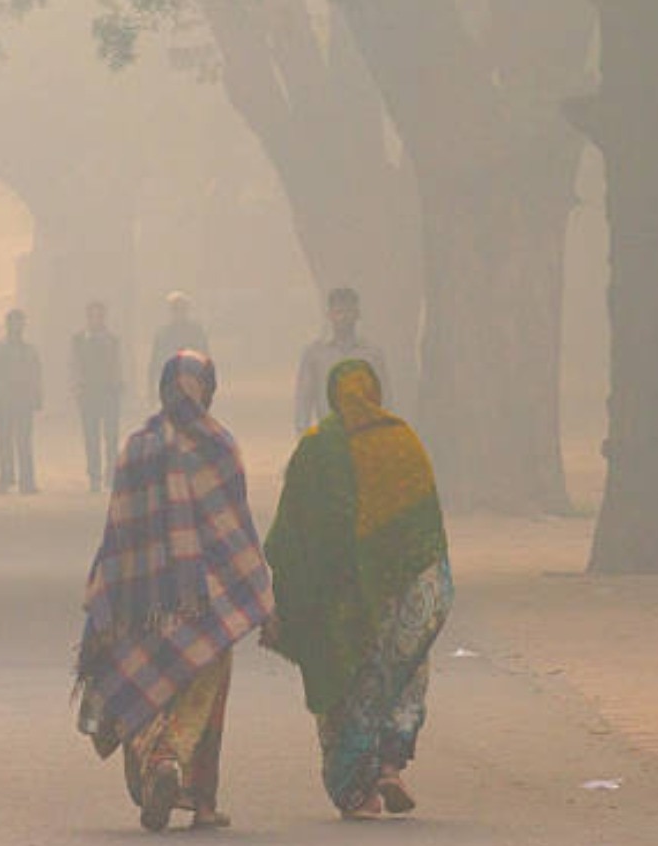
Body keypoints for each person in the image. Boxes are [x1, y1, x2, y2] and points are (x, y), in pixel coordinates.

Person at [76, 351, 274, 832]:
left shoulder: (137, 448)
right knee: (206, 700)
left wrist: (105, 596)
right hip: (210, 604)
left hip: (142, 604)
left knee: (148, 688)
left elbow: (118, 531)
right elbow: (238, 529)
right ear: (208, 389)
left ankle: (159, 764)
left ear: (163, 388)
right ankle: (200, 798)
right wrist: (260, 591)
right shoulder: (219, 446)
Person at [262, 359, 452, 820]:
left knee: (347, 686)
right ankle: (390, 766)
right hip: (401, 593)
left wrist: (284, 599)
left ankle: (356, 791)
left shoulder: (315, 448)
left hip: (339, 604)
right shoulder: (402, 441)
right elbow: (427, 528)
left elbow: (290, 535)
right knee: (401, 678)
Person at [295, 287, 391, 435]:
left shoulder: (372, 355)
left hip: (364, 434)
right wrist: (303, 437)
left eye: (349, 311)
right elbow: (304, 399)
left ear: (358, 314)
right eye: (339, 312)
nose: (344, 317)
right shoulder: (315, 354)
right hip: (329, 435)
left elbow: (384, 398)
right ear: (330, 315)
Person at [0, 309, 42, 494]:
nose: (17, 326)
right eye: (14, 322)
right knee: (6, 442)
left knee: (24, 443)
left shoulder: (29, 351)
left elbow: (36, 377)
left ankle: (26, 481)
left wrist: (37, 399)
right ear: (7, 325)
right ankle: (6, 479)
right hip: (4, 403)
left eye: (20, 322)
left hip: (23, 403)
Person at [70, 301, 124, 493]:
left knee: (111, 437)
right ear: (88, 318)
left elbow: (117, 365)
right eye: (93, 316)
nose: (96, 320)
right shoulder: (79, 340)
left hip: (109, 393)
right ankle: (94, 475)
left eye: (99, 315)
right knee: (91, 437)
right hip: (89, 394)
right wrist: (77, 387)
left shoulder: (112, 340)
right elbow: (74, 365)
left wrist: (118, 385)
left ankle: (111, 474)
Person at [148, 292, 209, 395]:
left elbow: (205, 357)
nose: (179, 313)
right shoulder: (163, 333)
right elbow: (155, 361)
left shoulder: (196, 332)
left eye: (182, 309)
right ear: (171, 311)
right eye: (176, 309)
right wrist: (151, 388)